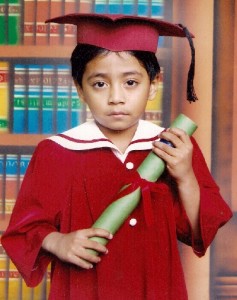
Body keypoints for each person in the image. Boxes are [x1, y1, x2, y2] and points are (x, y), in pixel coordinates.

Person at [2, 13, 232, 300]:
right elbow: (24, 230)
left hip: (157, 289)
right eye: (99, 84)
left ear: (153, 84)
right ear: (79, 90)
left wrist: (185, 176)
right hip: (84, 290)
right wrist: (59, 242)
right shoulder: (57, 152)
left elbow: (198, 230)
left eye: (131, 83)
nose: (116, 98)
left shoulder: (174, 147)